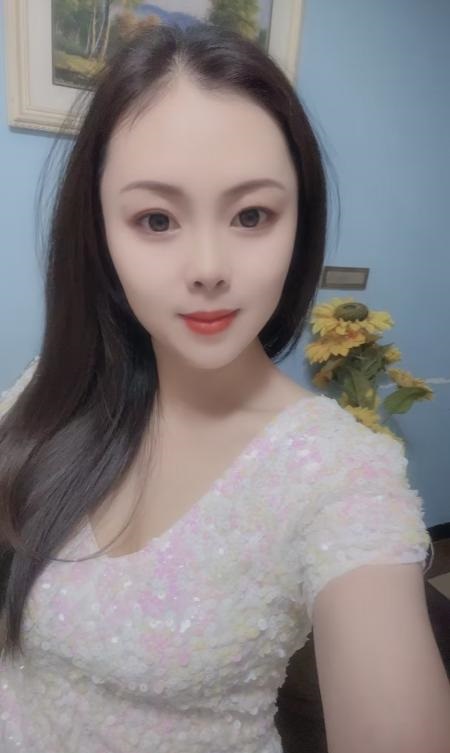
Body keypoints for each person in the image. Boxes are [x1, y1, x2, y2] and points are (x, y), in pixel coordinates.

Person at [0, 21, 448, 753]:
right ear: (99, 232)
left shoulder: (341, 478)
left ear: (300, 223)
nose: (208, 267)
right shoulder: (57, 389)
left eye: (251, 215)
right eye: (156, 219)